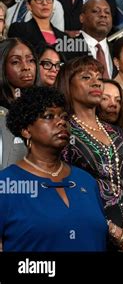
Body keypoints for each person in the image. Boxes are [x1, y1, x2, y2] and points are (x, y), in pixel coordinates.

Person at [0, 86, 107, 251]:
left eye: (64, 116)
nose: (61, 122)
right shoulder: (6, 184)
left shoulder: (86, 180)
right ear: (26, 130)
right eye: (49, 116)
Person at [57, 56, 123, 252]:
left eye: (98, 76)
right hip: (88, 235)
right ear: (67, 85)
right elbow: (65, 194)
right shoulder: (62, 133)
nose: (96, 81)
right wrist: (117, 234)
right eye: (86, 77)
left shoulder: (119, 134)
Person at [74, 0, 116, 78]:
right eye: (96, 11)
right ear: (82, 18)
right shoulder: (67, 48)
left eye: (107, 12)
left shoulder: (118, 51)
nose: (103, 15)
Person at [0, 38, 37, 109]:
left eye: (31, 60)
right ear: (2, 67)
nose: (26, 67)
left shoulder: (44, 102)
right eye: (15, 62)